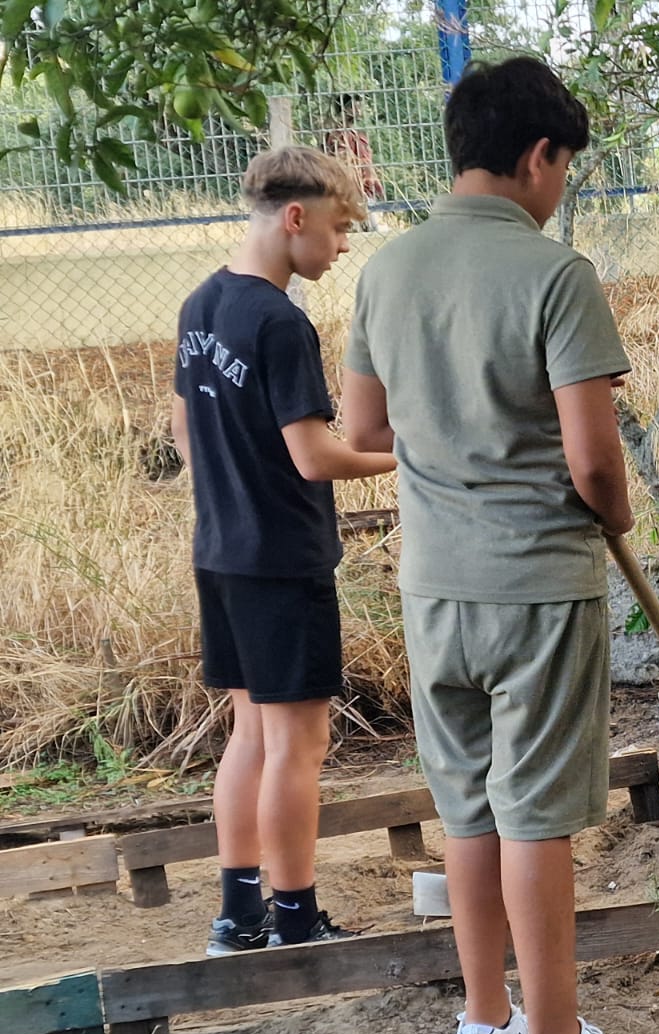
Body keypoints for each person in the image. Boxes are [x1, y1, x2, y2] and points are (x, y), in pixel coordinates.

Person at [339, 56, 659, 1034]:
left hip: (434, 588)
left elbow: (365, 433)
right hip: (536, 585)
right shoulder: (553, 274)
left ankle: (488, 1028)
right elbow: (595, 462)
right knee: (535, 820)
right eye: (563, 166)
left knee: (467, 811)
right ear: (538, 155)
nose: (560, 187)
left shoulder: (385, 273)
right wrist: (614, 519)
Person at [171, 145, 397, 956]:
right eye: (339, 228)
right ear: (294, 217)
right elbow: (315, 455)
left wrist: (229, 492)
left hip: (222, 548)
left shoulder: (202, 303)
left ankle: (239, 917)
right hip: (281, 554)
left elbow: (184, 429)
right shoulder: (278, 318)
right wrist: (417, 458)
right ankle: (296, 918)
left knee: (251, 735)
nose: (342, 247)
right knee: (300, 743)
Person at [324, 94, 385, 203]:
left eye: (358, 106)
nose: (358, 110)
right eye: (353, 106)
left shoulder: (357, 136)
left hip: (365, 189)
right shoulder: (337, 136)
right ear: (344, 110)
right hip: (351, 191)